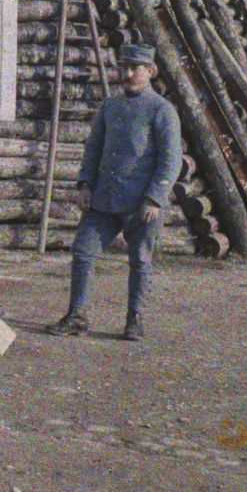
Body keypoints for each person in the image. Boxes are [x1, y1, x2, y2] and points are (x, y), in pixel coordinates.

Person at [49, 42, 182, 342]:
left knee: (140, 260)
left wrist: (155, 198)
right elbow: (94, 148)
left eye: (135, 68)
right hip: (105, 199)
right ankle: (77, 315)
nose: (128, 73)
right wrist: (85, 184)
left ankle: (135, 320)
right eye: (124, 67)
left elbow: (171, 160)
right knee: (83, 251)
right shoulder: (110, 106)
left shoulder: (162, 110)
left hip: (141, 205)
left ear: (151, 71)